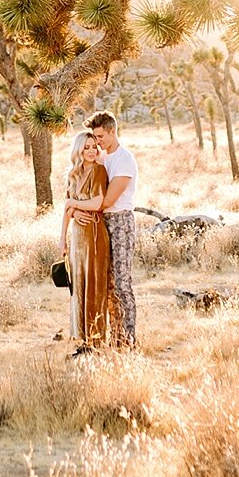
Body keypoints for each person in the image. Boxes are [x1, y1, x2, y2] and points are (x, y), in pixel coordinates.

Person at [61, 110, 138, 349]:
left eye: (101, 136)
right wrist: (74, 212)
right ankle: (109, 338)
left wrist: (74, 207)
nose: (99, 142)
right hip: (102, 224)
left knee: (122, 283)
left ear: (113, 132)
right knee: (106, 284)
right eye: (95, 138)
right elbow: (87, 193)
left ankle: (127, 339)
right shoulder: (103, 158)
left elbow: (104, 201)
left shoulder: (124, 160)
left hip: (120, 222)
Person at [59, 132, 113, 351]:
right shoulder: (74, 174)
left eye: (94, 147)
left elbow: (98, 202)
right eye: (86, 147)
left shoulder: (99, 171)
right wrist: (62, 238)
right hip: (77, 238)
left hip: (94, 234)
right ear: (79, 150)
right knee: (78, 286)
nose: (91, 151)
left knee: (94, 285)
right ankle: (80, 340)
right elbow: (66, 210)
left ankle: (95, 340)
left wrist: (74, 204)